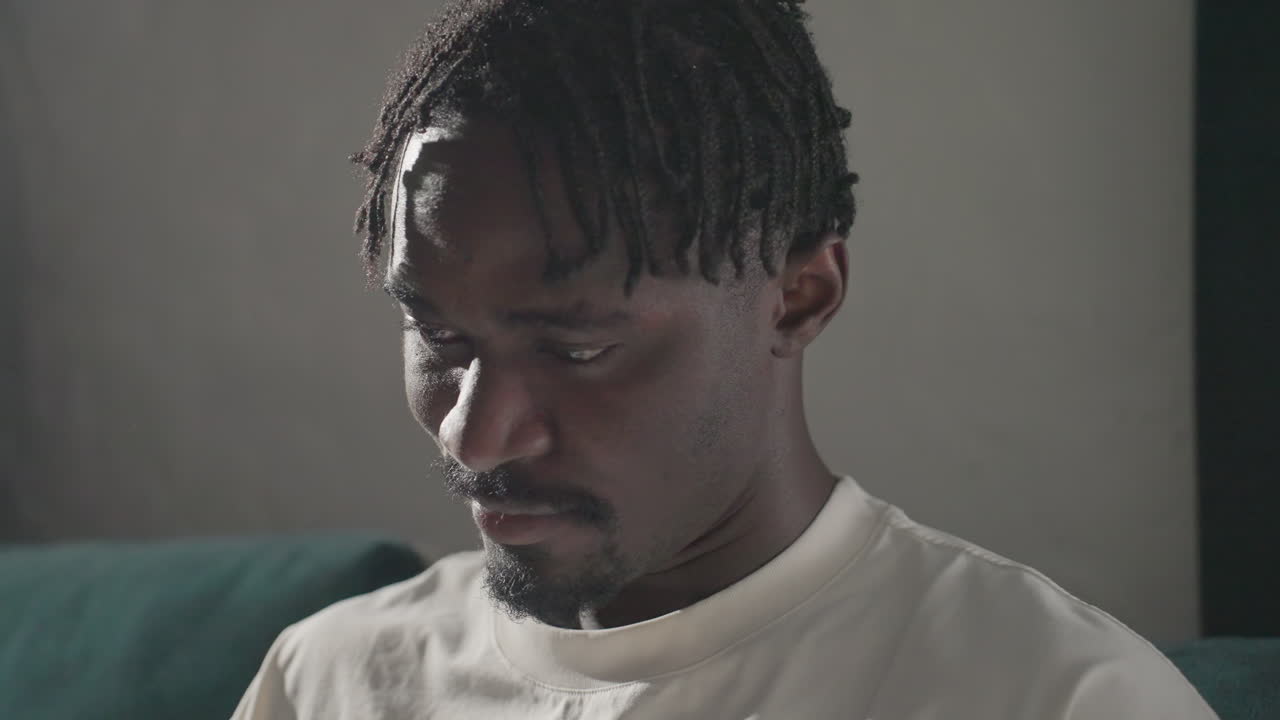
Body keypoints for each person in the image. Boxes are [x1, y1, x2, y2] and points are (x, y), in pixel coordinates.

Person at [232, 1, 1219, 717]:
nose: (474, 433)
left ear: (798, 295)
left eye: (577, 347)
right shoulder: (327, 681)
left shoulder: (1053, 696)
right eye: (441, 338)